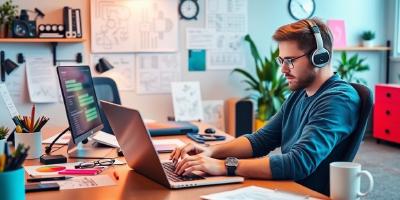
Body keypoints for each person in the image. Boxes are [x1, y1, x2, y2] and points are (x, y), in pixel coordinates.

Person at [170, 18, 360, 195]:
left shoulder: (339, 100)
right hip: (286, 187)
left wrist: (224, 165)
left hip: (305, 193)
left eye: (290, 61)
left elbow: (298, 163)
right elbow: (260, 140)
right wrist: (211, 151)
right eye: (281, 60)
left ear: (320, 57)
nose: (283, 69)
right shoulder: (300, 94)